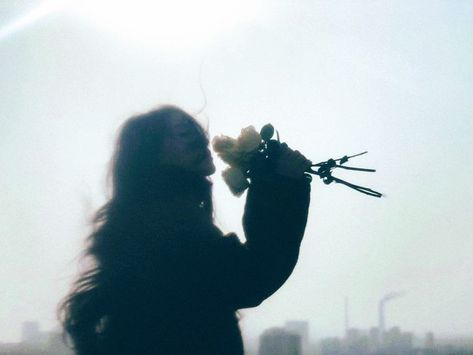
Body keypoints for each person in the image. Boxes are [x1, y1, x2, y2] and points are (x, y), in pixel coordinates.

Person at [58, 105, 312, 355]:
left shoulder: (148, 217)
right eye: (185, 136)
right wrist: (282, 185)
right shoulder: (168, 223)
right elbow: (252, 276)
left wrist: (271, 182)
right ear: (151, 154)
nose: (201, 143)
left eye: (199, 134)